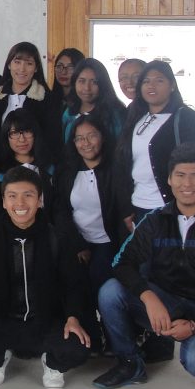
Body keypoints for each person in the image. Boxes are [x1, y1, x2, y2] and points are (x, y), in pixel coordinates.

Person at [93, 143, 195, 389]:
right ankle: (130, 363)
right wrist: (148, 296)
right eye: (180, 176)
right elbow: (122, 262)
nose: (187, 184)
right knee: (110, 291)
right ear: (170, 180)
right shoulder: (155, 219)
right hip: (167, 302)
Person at [0, 166, 92, 389]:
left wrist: (73, 317)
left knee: (79, 347)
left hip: (45, 320)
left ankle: (51, 362)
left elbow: (72, 285)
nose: (20, 204)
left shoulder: (57, 239)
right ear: (4, 201)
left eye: (28, 195)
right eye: (12, 196)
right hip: (1, 321)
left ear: (40, 200)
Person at [52, 114, 129, 348]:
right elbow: (61, 211)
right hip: (78, 242)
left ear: (103, 137)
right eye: (79, 139)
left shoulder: (116, 170)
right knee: (76, 286)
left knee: (101, 286)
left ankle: (114, 338)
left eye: (91, 136)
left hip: (108, 242)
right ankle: (89, 339)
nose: (86, 143)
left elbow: (122, 213)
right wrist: (78, 245)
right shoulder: (67, 172)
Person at [117, 60, 195, 221]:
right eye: (146, 81)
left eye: (159, 80)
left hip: (172, 207)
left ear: (172, 85)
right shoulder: (134, 115)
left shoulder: (187, 118)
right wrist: (126, 208)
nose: (151, 86)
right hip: (139, 205)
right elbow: (124, 163)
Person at [0, 41, 51, 167]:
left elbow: (52, 139)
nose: (22, 69)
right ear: (9, 64)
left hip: (36, 168)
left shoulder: (47, 99)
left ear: (36, 68)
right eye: (17, 62)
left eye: (29, 63)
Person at [60, 57, 126, 147]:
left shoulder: (114, 115)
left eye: (94, 82)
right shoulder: (69, 113)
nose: (87, 88)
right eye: (81, 81)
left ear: (103, 84)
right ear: (74, 82)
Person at [0, 109, 54, 206]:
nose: (22, 139)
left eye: (27, 131)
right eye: (14, 133)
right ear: (6, 137)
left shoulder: (50, 167)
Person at [44, 47, 85, 151]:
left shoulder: (84, 102)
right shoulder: (47, 99)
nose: (63, 71)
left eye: (70, 67)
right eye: (59, 66)